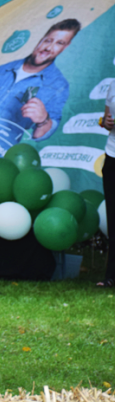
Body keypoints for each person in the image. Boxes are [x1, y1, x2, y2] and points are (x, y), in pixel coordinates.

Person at [0, 18, 81, 168]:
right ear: (40, 39)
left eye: (59, 43)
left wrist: (43, 120)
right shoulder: (0, 70)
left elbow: (40, 134)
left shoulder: (58, 85)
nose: (49, 47)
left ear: (66, 47)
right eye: (48, 40)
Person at [98, 83, 115, 288]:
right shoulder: (113, 85)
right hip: (112, 155)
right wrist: (106, 122)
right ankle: (111, 275)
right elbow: (105, 119)